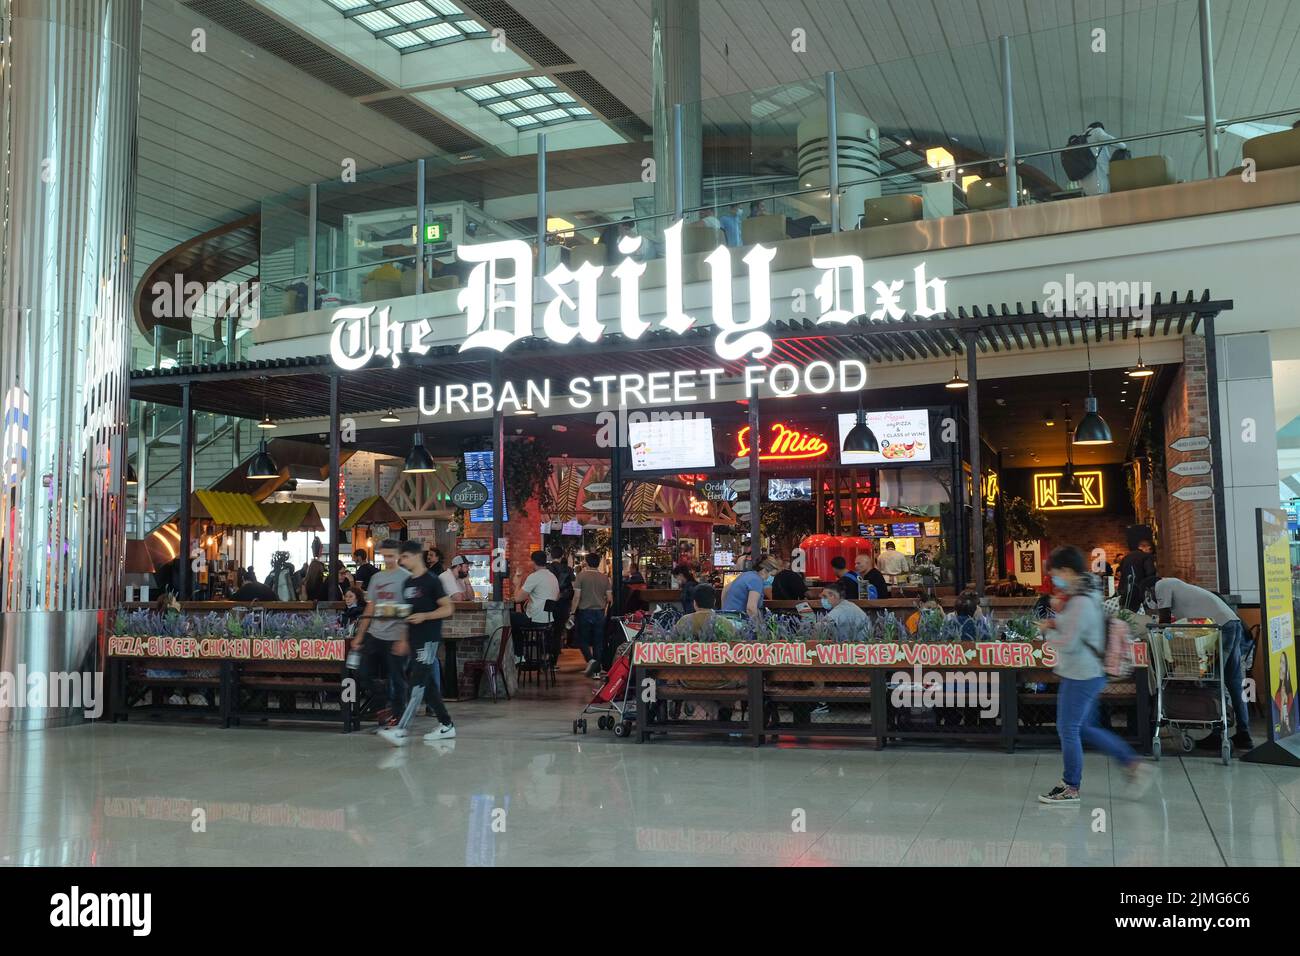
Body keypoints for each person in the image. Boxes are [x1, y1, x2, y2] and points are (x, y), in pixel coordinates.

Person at [1037, 545, 1149, 803]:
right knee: (1084, 727)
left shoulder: (1079, 602)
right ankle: (1133, 764)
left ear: (1066, 571)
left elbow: (1068, 642)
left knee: (1068, 728)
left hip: (1081, 673)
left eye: (1055, 573)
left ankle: (1071, 786)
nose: (1054, 579)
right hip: (1088, 672)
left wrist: (1047, 629)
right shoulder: (1086, 595)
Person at [1152, 576, 1254, 751]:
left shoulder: (1161, 584)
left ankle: (1216, 734)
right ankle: (1244, 734)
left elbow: (1164, 619)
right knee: (1234, 683)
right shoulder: (1180, 586)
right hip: (1232, 622)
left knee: (1214, 681)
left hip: (1220, 627)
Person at [376, 541, 456, 746]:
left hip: (428, 640)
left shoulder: (432, 581)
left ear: (414, 556)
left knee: (417, 684)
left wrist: (426, 616)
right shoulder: (408, 583)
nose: (400, 561)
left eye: (403, 557)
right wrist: (403, 639)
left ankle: (401, 730)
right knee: (427, 684)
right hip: (413, 640)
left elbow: (448, 609)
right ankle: (446, 724)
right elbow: (407, 613)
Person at [350, 540, 410, 727]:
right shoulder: (377, 578)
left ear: (399, 555)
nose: (388, 559)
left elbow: (409, 611)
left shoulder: (408, 579)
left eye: (391, 555)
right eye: (384, 555)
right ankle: (382, 697)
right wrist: (359, 636)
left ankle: (399, 716)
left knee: (397, 677)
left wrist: (403, 638)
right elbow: (370, 607)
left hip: (396, 636)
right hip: (375, 634)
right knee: (362, 672)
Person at [513, 550, 559, 660]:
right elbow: (556, 597)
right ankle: (527, 654)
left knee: (511, 617)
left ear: (533, 562)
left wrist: (517, 583)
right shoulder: (552, 577)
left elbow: (517, 598)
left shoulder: (534, 577)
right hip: (548, 620)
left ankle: (519, 654)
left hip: (535, 619)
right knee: (517, 617)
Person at [571, 553, 612, 677]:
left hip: (584, 612)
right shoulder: (605, 578)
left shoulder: (581, 576)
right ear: (599, 563)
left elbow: (577, 596)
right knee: (598, 642)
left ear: (586, 563)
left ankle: (591, 660)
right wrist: (604, 608)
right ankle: (597, 672)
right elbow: (610, 598)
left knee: (582, 639)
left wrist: (572, 612)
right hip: (600, 613)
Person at [722, 554, 779, 625]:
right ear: (764, 570)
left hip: (726, 620)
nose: (772, 578)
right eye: (772, 575)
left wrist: (725, 609)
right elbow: (751, 609)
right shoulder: (757, 580)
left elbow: (725, 589)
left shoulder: (746, 574)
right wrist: (759, 629)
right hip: (738, 623)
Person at [1077, 121, 1128, 196]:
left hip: (1085, 184)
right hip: (1100, 180)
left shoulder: (1079, 139)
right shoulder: (1097, 131)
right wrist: (1124, 146)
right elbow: (1113, 142)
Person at [547, 545, 576, 660]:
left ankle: (547, 654)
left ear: (551, 555)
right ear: (562, 556)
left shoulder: (547, 569)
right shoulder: (568, 570)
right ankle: (553, 660)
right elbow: (573, 586)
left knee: (548, 628)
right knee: (558, 630)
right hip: (563, 602)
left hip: (549, 602)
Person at [1117, 533, 1158, 612]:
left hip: (1123, 591)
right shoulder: (1147, 556)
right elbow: (1150, 574)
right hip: (1138, 592)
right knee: (1140, 619)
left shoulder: (1127, 556)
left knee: (1126, 616)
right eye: (1151, 551)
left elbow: (1119, 573)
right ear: (1148, 548)